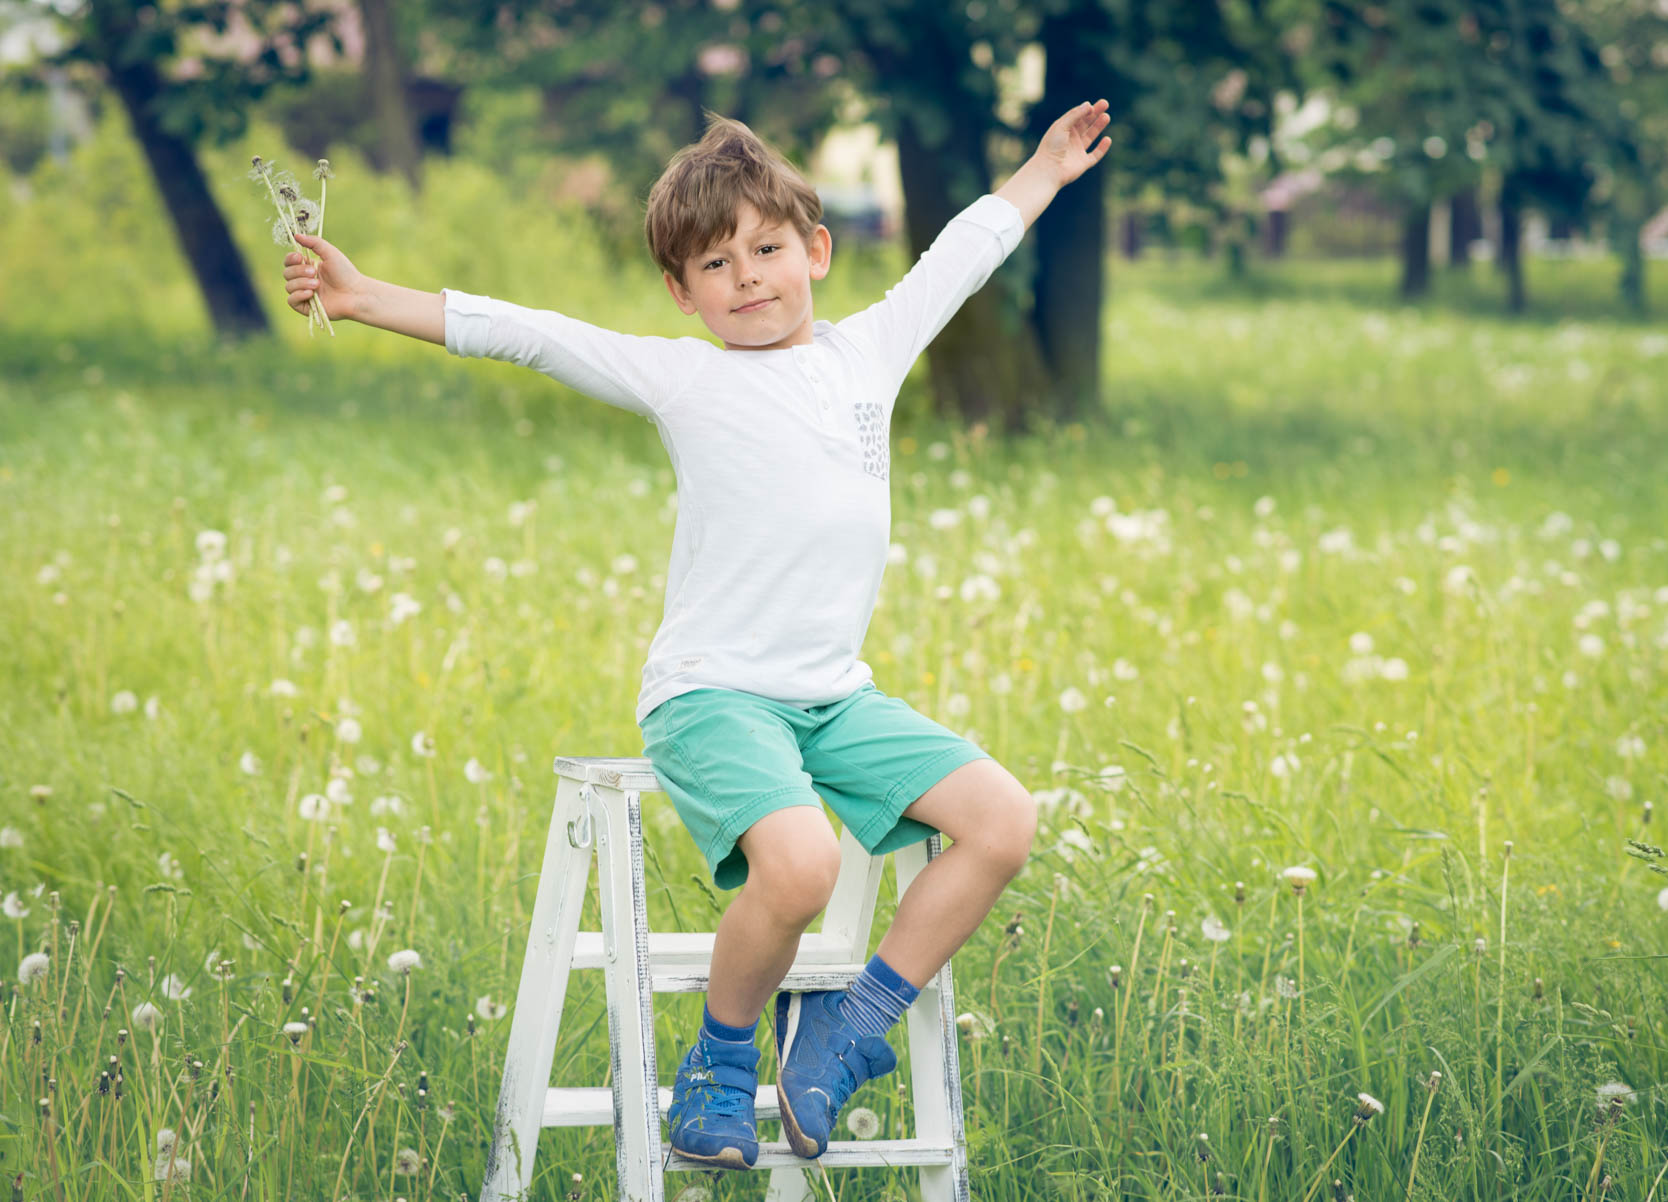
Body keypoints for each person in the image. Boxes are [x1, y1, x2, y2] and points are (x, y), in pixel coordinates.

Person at [282, 97, 1114, 1169]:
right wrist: (363, 299)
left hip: (832, 697)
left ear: (815, 249)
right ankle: (719, 1059)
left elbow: (966, 249)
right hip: (714, 693)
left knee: (1002, 818)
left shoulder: (869, 352)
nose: (749, 276)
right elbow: (532, 332)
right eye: (715, 266)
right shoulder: (686, 377)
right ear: (682, 293)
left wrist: (1043, 171)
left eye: (768, 249)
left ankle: (846, 1028)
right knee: (802, 863)